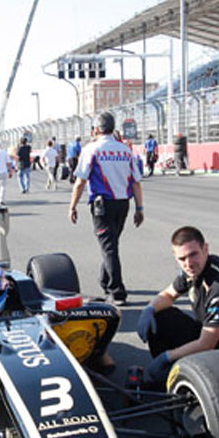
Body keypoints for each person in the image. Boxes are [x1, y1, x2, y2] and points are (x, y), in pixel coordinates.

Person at [137, 226, 219, 386]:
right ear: (175, 257)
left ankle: (178, 377)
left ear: (205, 249)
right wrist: (149, 308)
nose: (189, 263)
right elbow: (168, 295)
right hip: (210, 336)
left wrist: (167, 356)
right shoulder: (192, 270)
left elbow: (207, 343)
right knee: (160, 317)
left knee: (171, 350)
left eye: (193, 254)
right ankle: (169, 374)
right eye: (182, 258)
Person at [69, 112, 144, 306]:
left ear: (95, 129)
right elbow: (136, 183)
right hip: (122, 205)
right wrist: (140, 208)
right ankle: (105, 281)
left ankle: (117, 292)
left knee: (109, 247)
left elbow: (80, 181)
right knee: (111, 245)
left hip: (102, 205)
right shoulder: (125, 151)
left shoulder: (91, 149)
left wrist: (72, 206)